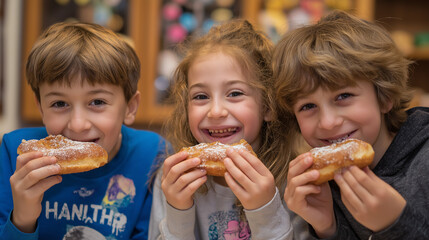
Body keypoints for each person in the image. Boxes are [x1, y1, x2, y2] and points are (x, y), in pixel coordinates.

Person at [0, 22, 167, 239]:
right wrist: (22, 219)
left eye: (97, 101)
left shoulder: (152, 154)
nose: (78, 124)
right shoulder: (16, 152)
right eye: (59, 104)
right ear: (41, 108)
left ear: (130, 107)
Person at [272, 10, 429, 239]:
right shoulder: (323, 185)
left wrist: (395, 224)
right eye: (307, 107)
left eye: (343, 96)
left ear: (384, 97)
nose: (328, 122)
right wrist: (327, 228)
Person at [148, 19, 298, 240]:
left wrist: (264, 209)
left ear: (268, 106)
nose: (216, 111)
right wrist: (178, 211)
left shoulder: (292, 179)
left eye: (235, 93)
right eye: (200, 96)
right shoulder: (172, 179)